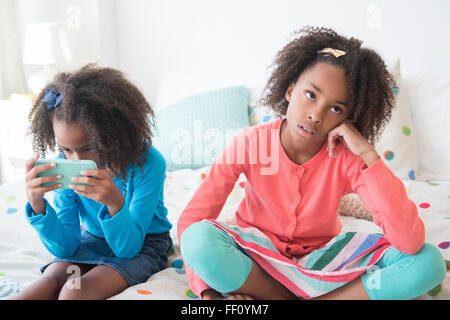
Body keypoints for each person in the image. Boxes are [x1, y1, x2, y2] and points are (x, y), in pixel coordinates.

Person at [178, 26, 446, 300]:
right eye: (311, 95)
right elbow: (191, 222)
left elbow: (408, 241)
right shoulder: (249, 143)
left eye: (336, 108)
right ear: (290, 90)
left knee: (427, 262)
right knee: (198, 239)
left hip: (324, 262)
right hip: (255, 259)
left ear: (349, 117)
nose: (316, 115)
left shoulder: (349, 158)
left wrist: (368, 155)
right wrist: (208, 292)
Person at [11, 64, 172, 300]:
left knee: (73, 292)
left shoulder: (148, 163)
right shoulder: (63, 166)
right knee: (46, 284)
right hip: (93, 239)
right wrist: (38, 205)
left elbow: (128, 248)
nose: (77, 160)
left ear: (113, 133)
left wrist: (115, 204)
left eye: (88, 148)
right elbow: (66, 247)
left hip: (143, 243)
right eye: (66, 149)